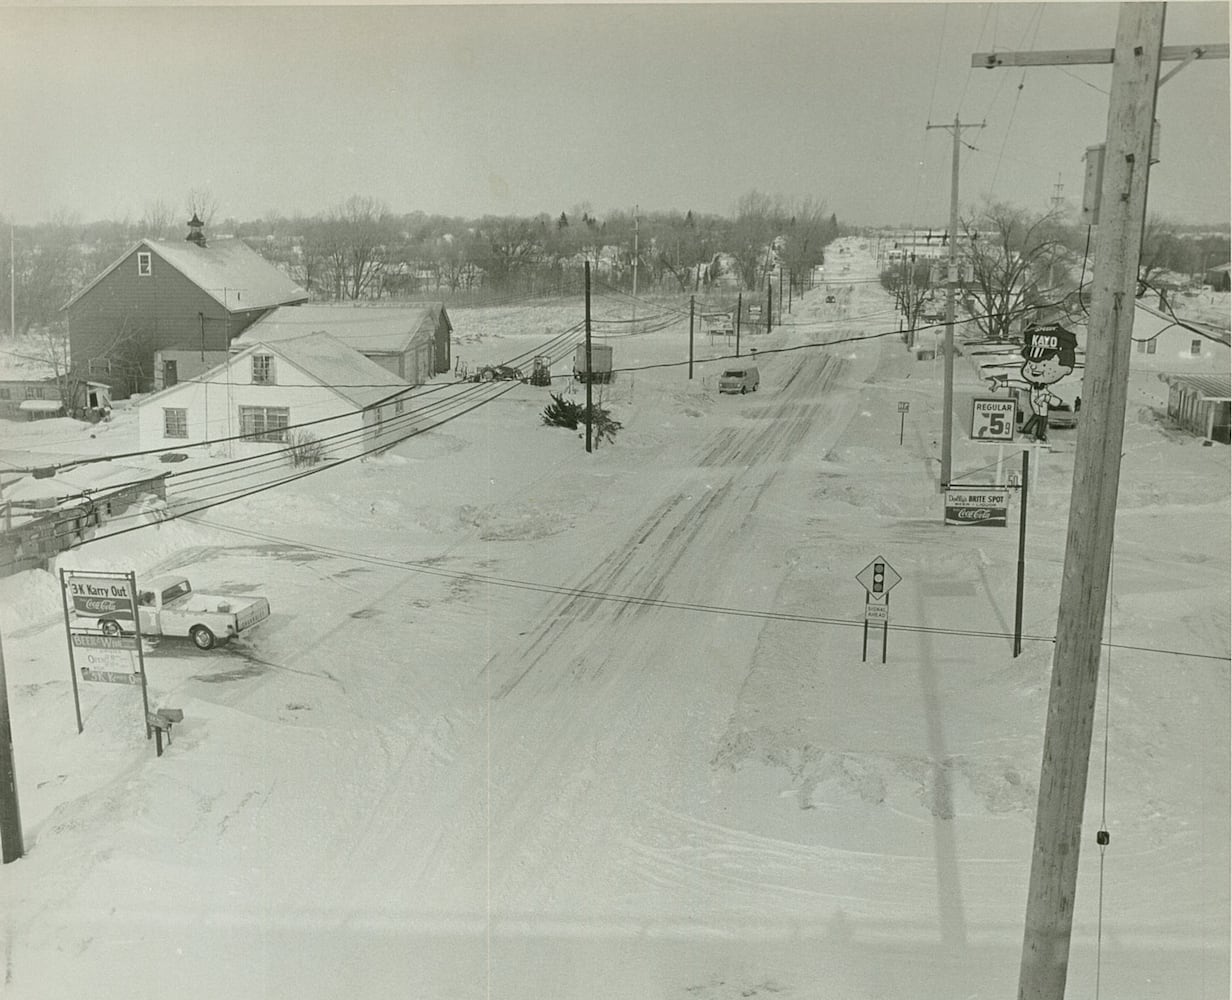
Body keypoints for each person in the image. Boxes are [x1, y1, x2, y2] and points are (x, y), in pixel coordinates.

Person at [987, 324, 1078, 444]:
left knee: (1041, 418)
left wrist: (1045, 397)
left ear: (1066, 369)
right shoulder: (1032, 386)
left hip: (1042, 409)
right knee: (1038, 417)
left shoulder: (1059, 387)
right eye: (1031, 364)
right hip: (1038, 409)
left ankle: (1038, 434)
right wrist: (1002, 384)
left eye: (1044, 364)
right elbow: (1019, 384)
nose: (1035, 369)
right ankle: (1031, 431)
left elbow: (1057, 401)